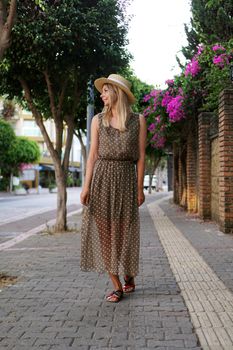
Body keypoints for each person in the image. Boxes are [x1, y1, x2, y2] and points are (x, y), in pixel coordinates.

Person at [80, 73, 147, 303]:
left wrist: (140, 188)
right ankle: (117, 285)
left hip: (127, 181)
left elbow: (141, 156)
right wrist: (86, 186)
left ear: (116, 93)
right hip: (102, 180)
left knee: (122, 234)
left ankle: (128, 273)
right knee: (106, 236)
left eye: (106, 91)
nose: (102, 95)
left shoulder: (138, 120)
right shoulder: (98, 120)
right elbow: (92, 156)